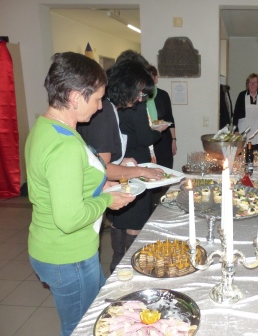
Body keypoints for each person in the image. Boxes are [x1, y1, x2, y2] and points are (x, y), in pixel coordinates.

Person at [25, 52, 135, 336]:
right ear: (75, 97)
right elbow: (69, 218)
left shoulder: (47, 128)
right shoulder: (65, 146)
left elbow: (60, 187)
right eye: (97, 99)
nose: (100, 107)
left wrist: (99, 186)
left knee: (99, 317)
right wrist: (108, 200)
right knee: (81, 328)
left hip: (62, 249)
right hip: (67, 255)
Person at [77, 58, 168, 273]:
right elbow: (103, 167)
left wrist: (123, 161)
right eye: (138, 93)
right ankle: (124, 271)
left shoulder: (109, 108)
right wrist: (141, 171)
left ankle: (120, 268)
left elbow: (97, 155)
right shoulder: (105, 111)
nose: (139, 99)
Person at [146, 64, 177, 169]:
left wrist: (174, 140)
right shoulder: (141, 97)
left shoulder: (163, 95)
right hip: (148, 140)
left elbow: (170, 118)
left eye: (153, 77)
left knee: (166, 171)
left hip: (163, 140)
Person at [233, 73, 258, 150]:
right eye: (250, 82)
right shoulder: (242, 95)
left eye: (255, 82)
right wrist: (236, 130)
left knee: (256, 153)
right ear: (247, 84)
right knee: (242, 152)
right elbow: (236, 113)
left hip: (257, 129)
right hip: (244, 128)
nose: (252, 84)